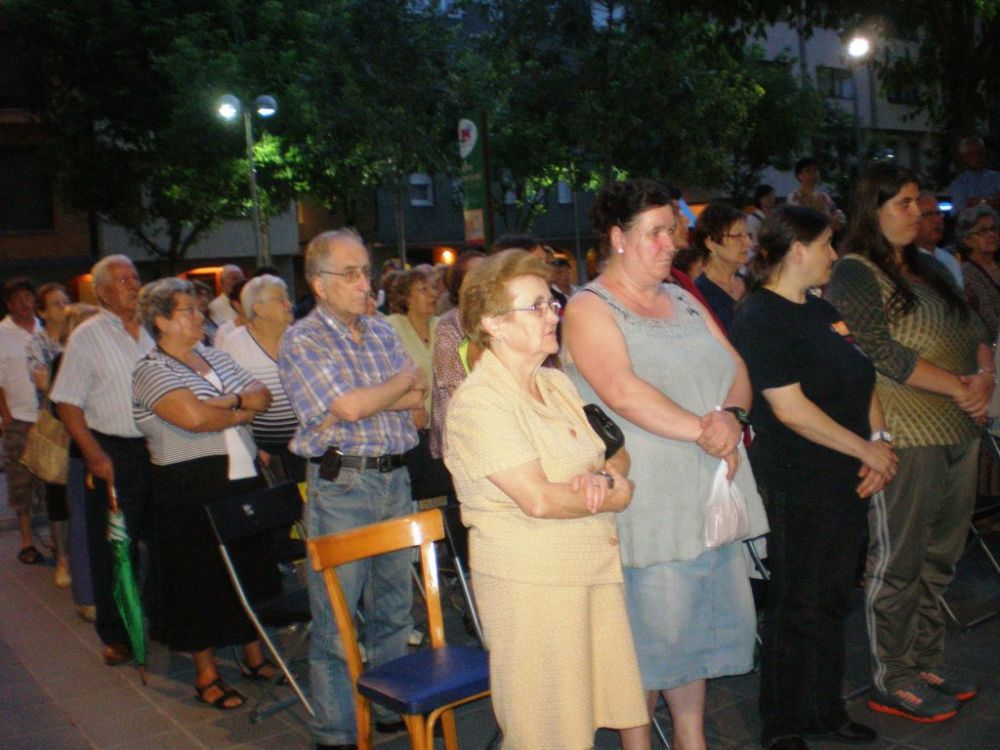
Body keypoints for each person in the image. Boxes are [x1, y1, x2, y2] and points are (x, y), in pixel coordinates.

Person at [563, 178, 768, 750]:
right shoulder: (588, 307)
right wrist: (710, 432)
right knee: (649, 644)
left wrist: (732, 418)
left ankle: (691, 739)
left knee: (693, 637)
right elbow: (623, 392)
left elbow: (736, 368)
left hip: (707, 494)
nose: (670, 243)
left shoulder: (681, 298)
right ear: (617, 238)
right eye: (654, 232)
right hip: (648, 503)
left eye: (671, 230)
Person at [444, 249, 650, 750]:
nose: (553, 313)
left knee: (622, 699)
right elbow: (537, 499)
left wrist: (603, 477)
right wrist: (612, 496)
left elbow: (615, 454)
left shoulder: (555, 383)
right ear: (493, 323)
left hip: (590, 570)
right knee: (548, 726)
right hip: (532, 586)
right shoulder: (478, 403)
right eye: (535, 306)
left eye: (552, 302)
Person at [828, 162, 993, 723]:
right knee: (897, 560)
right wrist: (961, 387)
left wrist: (985, 379)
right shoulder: (854, 271)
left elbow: (975, 333)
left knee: (940, 559)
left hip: (958, 431)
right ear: (871, 209)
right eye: (902, 202)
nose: (917, 211)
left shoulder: (928, 269)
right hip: (907, 433)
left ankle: (923, 660)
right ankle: (890, 675)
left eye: (918, 201)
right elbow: (878, 350)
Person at [730, 205, 898, 750]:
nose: (834, 254)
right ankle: (783, 721)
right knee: (795, 602)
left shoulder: (822, 312)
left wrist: (879, 443)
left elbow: (862, 377)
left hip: (844, 476)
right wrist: (865, 452)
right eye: (827, 244)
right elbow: (790, 408)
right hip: (797, 479)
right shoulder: (760, 315)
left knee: (831, 599)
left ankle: (824, 708)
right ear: (796, 249)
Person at [279, 228, 425, 750]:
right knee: (337, 617)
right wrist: (394, 389)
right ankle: (336, 733)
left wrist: (382, 395)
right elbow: (348, 408)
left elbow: (420, 402)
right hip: (343, 484)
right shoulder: (304, 339)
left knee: (393, 610)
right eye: (352, 273)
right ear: (319, 284)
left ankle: (387, 712)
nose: (367, 283)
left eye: (367, 270)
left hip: (394, 476)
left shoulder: (383, 332)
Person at [132, 277, 278, 710]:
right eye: (188, 311)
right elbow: (191, 418)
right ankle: (206, 673)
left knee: (248, 564)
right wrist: (237, 408)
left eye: (199, 309)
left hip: (241, 474)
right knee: (199, 578)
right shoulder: (150, 369)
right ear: (161, 320)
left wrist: (225, 401)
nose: (200, 316)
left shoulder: (214, 356)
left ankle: (253, 656)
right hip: (188, 485)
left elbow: (264, 396)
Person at [51, 255, 156, 667]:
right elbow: (66, 403)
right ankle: (117, 634)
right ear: (102, 292)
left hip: (160, 447)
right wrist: (94, 455)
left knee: (161, 540)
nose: (133, 285)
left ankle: (159, 618)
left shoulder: (154, 327)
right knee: (115, 546)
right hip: (114, 451)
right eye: (122, 280)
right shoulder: (88, 336)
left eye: (135, 277)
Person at [220, 274, 303, 482]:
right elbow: (229, 402)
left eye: (287, 298)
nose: (289, 304)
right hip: (262, 452)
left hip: (307, 448)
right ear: (258, 308)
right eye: (280, 299)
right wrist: (254, 448)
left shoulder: (302, 339)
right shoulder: (234, 345)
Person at [26, 283, 73, 585]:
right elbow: (44, 383)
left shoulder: (79, 337)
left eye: (65, 302)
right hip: (57, 427)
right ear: (41, 312)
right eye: (55, 304)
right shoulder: (38, 342)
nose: (63, 308)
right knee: (57, 494)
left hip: (86, 422)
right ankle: (63, 560)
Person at [0, 277, 43, 564]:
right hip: (18, 416)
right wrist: (6, 416)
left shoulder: (45, 328)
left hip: (49, 418)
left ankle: (56, 537)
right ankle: (27, 538)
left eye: (28, 296)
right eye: (17, 298)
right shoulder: (2, 333)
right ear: (8, 303)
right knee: (20, 479)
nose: (24, 303)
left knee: (50, 480)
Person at [430, 250, 486, 461]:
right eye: (478, 273)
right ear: (461, 285)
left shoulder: (499, 319)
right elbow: (455, 385)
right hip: (465, 436)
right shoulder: (450, 324)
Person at [693, 203, 752, 332]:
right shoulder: (699, 295)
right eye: (738, 236)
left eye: (748, 235)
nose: (748, 243)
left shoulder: (752, 284)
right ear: (711, 243)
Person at [956, 204, 1000, 340]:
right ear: (967, 241)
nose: (991, 234)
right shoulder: (967, 273)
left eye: (993, 229)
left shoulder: (997, 266)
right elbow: (989, 319)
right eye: (982, 231)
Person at [915, 192, 963, 290]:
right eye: (928, 214)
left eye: (938, 213)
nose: (937, 220)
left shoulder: (949, 260)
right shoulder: (906, 262)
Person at [788, 157, 845, 232]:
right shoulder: (795, 197)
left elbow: (837, 218)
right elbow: (799, 222)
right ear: (800, 176)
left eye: (815, 170)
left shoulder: (824, 197)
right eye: (808, 170)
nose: (813, 173)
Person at [947, 136, 1000, 214]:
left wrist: (978, 202)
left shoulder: (996, 177)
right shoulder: (959, 184)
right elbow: (960, 211)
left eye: (980, 153)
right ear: (964, 157)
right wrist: (991, 201)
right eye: (972, 154)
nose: (977, 157)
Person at [745, 183, 776, 251]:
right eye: (766, 196)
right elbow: (753, 243)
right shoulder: (753, 218)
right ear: (759, 198)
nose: (770, 198)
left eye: (772, 195)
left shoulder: (777, 215)